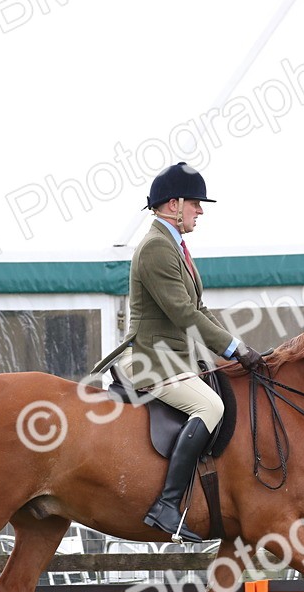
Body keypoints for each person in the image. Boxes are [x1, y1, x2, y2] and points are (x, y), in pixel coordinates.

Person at [106, 162, 266, 543]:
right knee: (211, 407)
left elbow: (199, 307)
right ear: (173, 204)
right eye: (195, 203)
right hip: (151, 357)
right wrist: (232, 348)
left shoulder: (175, 246)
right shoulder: (156, 248)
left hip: (173, 356)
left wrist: (236, 349)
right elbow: (183, 313)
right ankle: (167, 504)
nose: (200, 210)